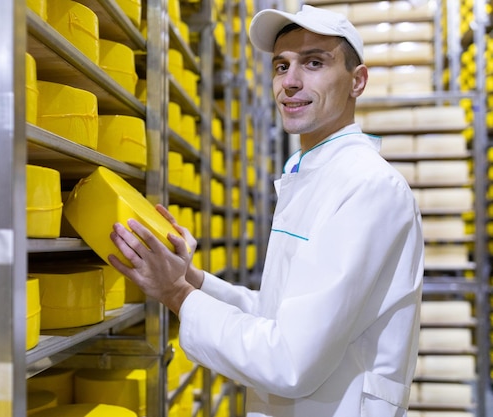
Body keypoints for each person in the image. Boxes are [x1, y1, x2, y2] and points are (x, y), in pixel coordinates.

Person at [108, 5, 424, 417]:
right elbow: (278, 314)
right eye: (280, 66)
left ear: (357, 81)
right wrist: (191, 279)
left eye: (314, 63)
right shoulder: (313, 176)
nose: (290, 83)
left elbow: (289, 361)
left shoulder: (367, 188)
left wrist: (176, 294)